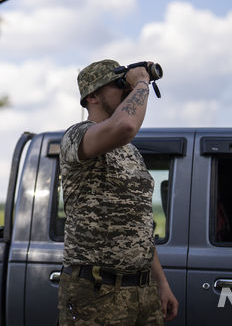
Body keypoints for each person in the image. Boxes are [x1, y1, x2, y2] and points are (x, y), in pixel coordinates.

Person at [58, 59, 179, 325]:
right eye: (118, 86)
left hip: (141, 291)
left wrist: (161, 284)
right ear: (92, 96)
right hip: (97, 292)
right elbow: (125, 126)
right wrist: (141, 82)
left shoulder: (130, 152)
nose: (126, 92)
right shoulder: (76, 137)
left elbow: (140, 228)